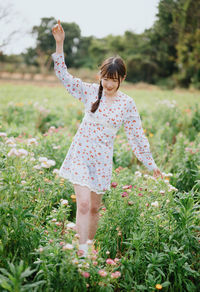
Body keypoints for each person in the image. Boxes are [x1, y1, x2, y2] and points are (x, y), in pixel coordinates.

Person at [51, 20, 163, 258]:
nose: (109, 84)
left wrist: (151, 164)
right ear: (100, 75)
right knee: (81, 204)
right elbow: (63, 75)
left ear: (122, 78)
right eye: (105, 78)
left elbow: (137, 136)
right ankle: (81, 256)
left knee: (93, 208)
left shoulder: (127, 104)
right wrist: (60, 44)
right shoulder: (90, 92)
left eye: (114, 79)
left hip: (101, 160)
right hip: (81, 154)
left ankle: (88, 248)